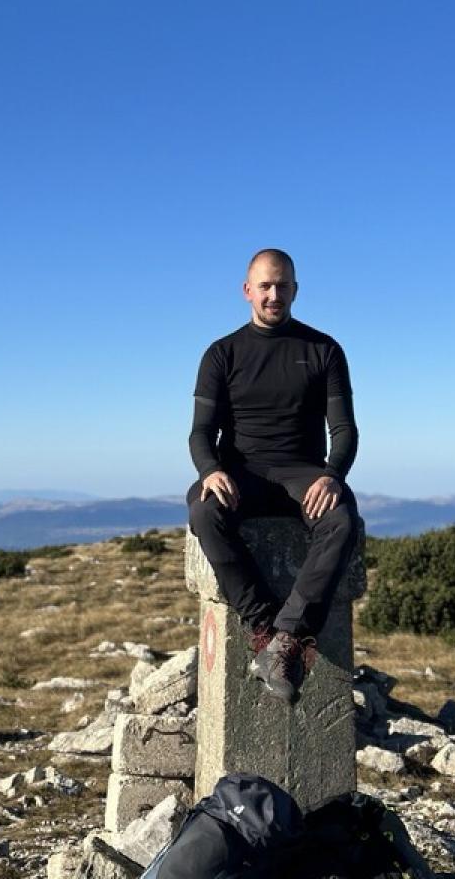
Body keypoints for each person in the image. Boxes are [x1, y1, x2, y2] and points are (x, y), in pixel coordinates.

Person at [187, 248, 360, 703]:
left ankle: (288, 638)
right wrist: (210, 470)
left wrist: (332, 475)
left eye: (283, 285)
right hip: (241, 473)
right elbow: (201, 432)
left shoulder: (323, 350)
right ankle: (265, 630)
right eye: (265, 286)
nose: (274, 295)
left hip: (304, 474)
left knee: (342, 518)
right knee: (203, 511)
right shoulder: (222, 354)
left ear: (295, 290)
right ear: (247, 291)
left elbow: (344, 430)